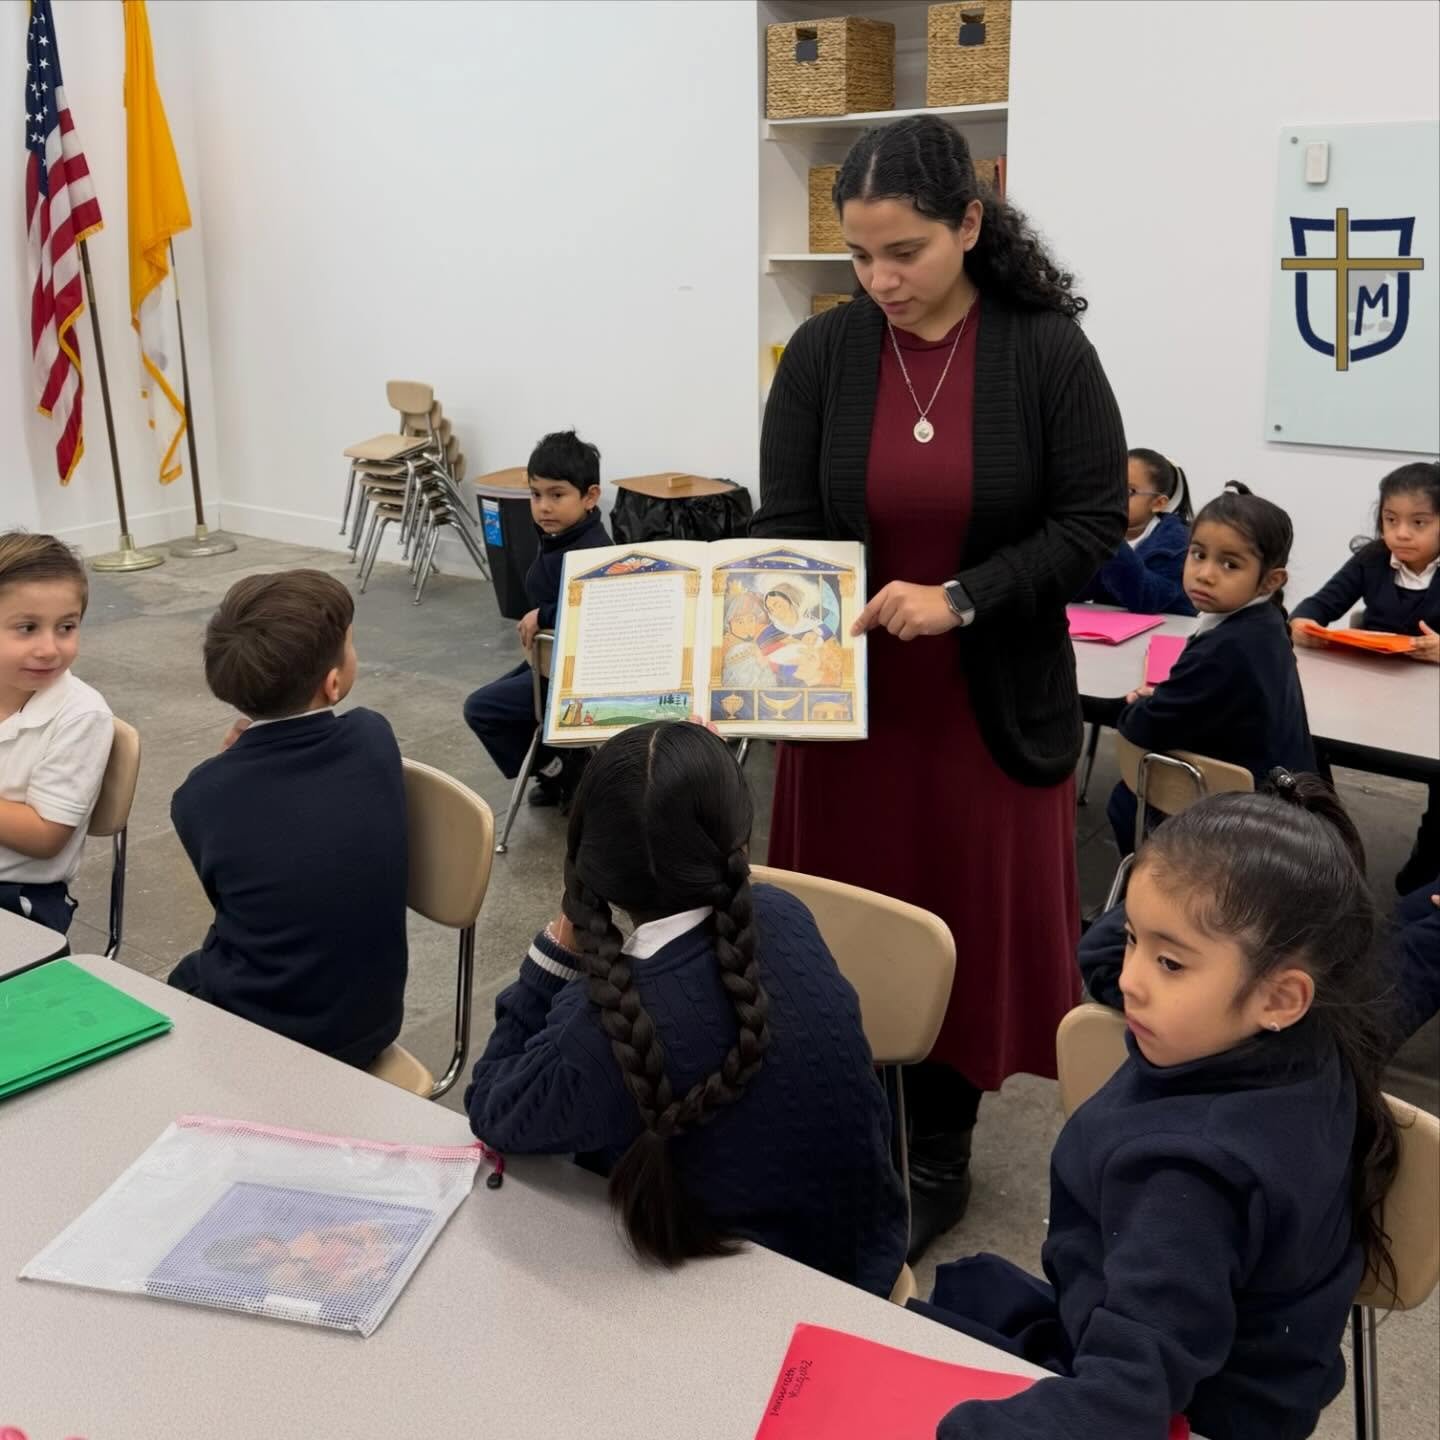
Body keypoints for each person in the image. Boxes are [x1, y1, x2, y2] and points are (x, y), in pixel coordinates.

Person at [751, 114, 1127, 1260]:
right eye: (860, 256)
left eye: (904, 251)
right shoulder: (827, 353)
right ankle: (847, 1109)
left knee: (959, 918)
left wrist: (960, 595)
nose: (880, 280)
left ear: (971, 222)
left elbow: (1092, 523)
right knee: (844, 921)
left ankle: (937, 1150)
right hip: (852, 708)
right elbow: (786, 525)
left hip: (983, 708)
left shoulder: (1044, 348)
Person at [919, 775, 1399, 1440]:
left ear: (1281, 997)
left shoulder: (1191, 1180)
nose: (1127, 979)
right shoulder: (1306, 1042)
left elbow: (1125, 1402)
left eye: (1170, 963)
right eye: (1133, 940)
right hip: (1206, 1361)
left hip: (1185, 1406)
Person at [464, 720, 908, 1297]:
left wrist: (560, 943)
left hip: (716, 1310)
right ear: (738, 841)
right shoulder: (784, 914)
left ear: (590, 865)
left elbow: (492, 1109)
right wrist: (696, 773)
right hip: (860, 1270)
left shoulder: (600, 1030)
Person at [168, 569, 408, 1068]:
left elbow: (237, 899)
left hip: (257, 1031)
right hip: (369, 1025)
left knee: (181, 981)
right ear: (334, 682)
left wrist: (230, 766)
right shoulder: (372, 738)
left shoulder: (198, 796)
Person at [1108, 481, 1314, 854]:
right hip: (1280, 796)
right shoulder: (1265, 623)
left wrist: (1140, 707)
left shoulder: (1228, 646)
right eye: (1198, 554)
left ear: (1271, 579)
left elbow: (1142, 729)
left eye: (1230, 564)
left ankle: (1150, 889)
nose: (1204, 573)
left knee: (1124, 801)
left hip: (1241, 818)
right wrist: (1166, 699)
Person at [1291, 460, 1440, 892]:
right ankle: (1327, 846)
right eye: (1390, 520)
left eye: (1419, 522)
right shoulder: (1373, 559)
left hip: (1428, 708)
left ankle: (1426, 869)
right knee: (1305, 741)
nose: (1402, 533)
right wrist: (1304, 626)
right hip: (1370, 696)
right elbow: (1315, 606)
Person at [463, 430, 610, 809]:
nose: (543, 506)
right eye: (536, 494)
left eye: (557, 495)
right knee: (501, 703)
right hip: (548, 662)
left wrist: (543, 614)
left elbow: (596, 607)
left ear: (590, 496)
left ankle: (561, 769)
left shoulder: (593, 549)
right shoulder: (560, 536)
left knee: (482, 709)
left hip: (576, 676)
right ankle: (560, 767)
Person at [0, 532, 113, 936]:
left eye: (66, 627)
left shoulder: (81, 715)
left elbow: (46, 836)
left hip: (20, 897)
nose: (49, 648)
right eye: (27, 628)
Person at [1074, 448, 1195, 615]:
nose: (1113, 497)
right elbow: (1078, 592)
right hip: (1112, 630)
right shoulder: (1103, 533)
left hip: (1169, 632)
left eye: (1129, 491)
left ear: (1158, 503)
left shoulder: (1177, 542)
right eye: (1110, 487)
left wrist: (1110, 537)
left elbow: (1148, 600)